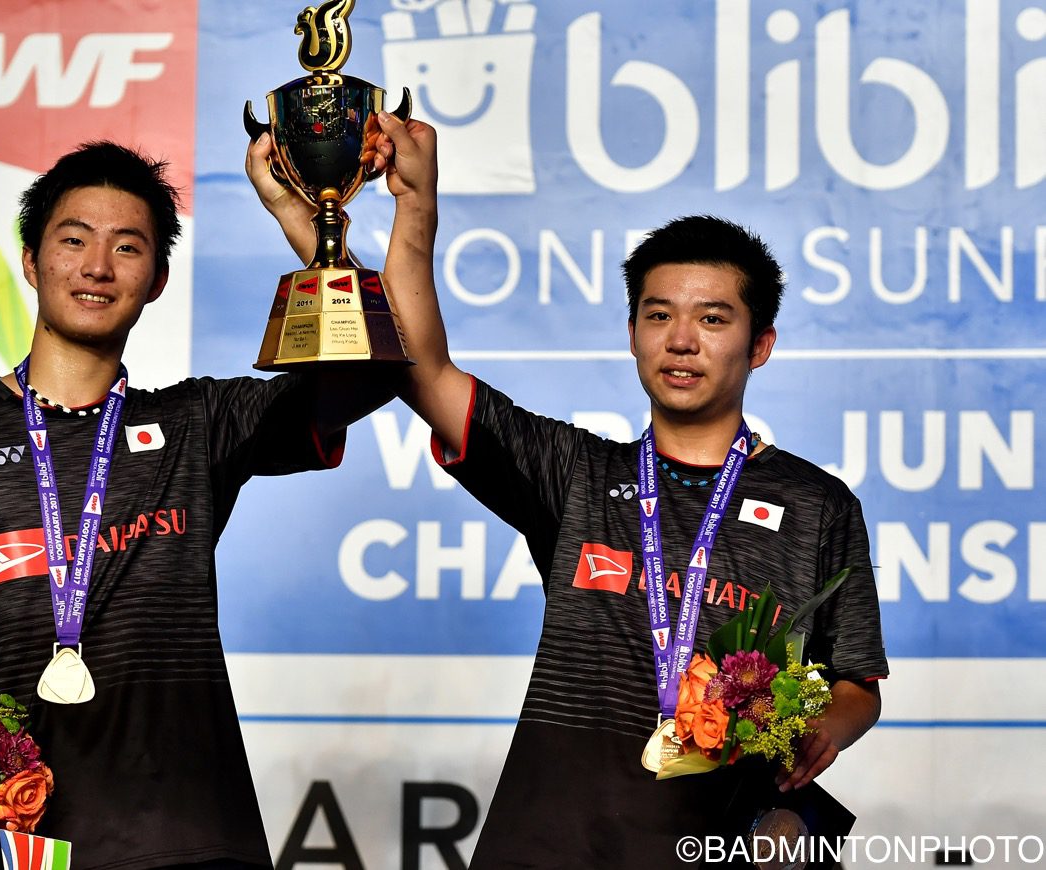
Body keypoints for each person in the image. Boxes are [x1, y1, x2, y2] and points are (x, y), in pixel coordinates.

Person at [264, 115, 888, 867]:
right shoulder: (577, 475)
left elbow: (857, 682)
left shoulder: (817, 505)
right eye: (658, 315)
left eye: (713, 319)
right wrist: (410, 207)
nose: (681, 340)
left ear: (760, 345)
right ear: (632, 333)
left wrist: (821, 727)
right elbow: (421, 368)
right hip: (546, 847)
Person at [0, 139, 402, 868]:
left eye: (127, 247)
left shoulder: (198, 424)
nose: (97, 267)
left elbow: (373, 372)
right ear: (31, 260)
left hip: (190, 840)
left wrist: (302, 219)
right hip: (14, 841)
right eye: (73, 240)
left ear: (157, 280)